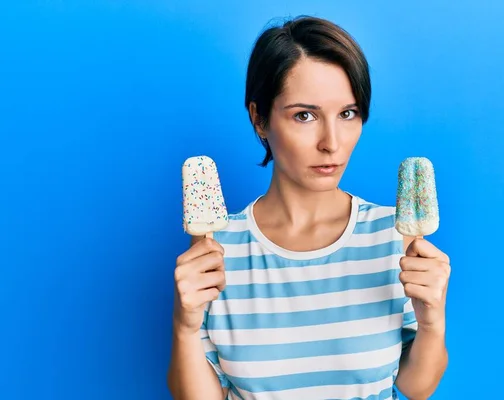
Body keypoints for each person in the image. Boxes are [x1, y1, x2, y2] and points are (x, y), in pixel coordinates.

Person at [167, 15, 450, 400]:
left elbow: (417, 387)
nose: (331, 142)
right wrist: (184, 325)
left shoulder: (396, 238)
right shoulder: (216, 250)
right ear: (259, 118)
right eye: (305, 115)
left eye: (347, 114)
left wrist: (432, 319)